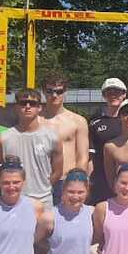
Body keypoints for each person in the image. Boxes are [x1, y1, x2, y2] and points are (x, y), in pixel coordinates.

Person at [0, 87, 63, 205]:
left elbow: (57, 171)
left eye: (32, 103)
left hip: (43, 200)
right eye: (23, 103)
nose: (27, 106)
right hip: (12, 201)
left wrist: (44, 187)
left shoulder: (52, 137)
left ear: (39, 107)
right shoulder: (3, 138)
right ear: (16, 107)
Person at [39, 71, 90, 201]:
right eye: (50, 91)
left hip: (67, 180)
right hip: (40, 181)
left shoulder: (78, 121)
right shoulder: (35, 120)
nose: (54, 95)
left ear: (65, 92)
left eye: (59, 91)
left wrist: (78, 182)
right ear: (43, 92)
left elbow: (82, 156)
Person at [87, 78, 126, 204]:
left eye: (117, 92)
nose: (113, 96)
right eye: (109, 93)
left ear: (124, 94)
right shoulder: (95, 122)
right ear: (104, 96)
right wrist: (88, 179)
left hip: (126, 178)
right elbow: (91, 156)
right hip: (100, 178)